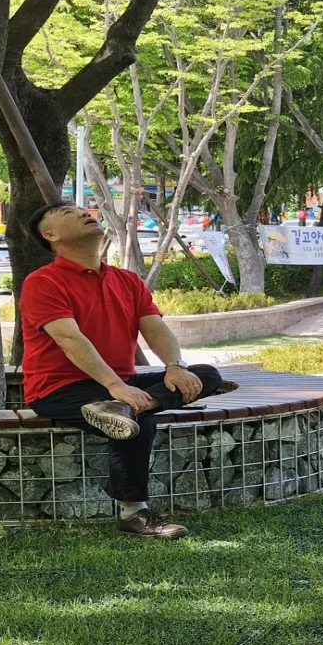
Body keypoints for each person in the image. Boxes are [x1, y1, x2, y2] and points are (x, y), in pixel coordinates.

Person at [20, 202, 222, 539]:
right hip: (59, 388)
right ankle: (133, 513)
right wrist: (116, 386)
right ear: (50, 235)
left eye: (85, 210)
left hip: (118, 386)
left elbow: (155, 329)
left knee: (206, 374)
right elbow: (70, 339)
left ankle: (133, 406)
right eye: (69, 213)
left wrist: (175, 367)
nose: (85, 214)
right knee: (137, 423)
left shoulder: (127, 280)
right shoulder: (42, 282)